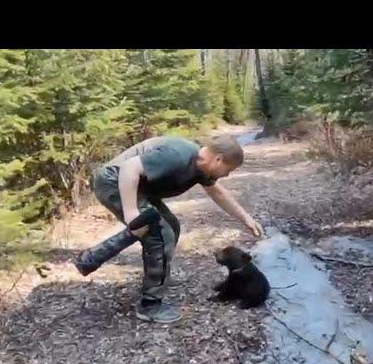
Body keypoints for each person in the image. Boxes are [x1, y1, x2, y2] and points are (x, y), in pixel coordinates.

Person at [83, 134, 263, 324]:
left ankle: (159, 277)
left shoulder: (202, 167)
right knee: (162, 233)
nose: (227, 175)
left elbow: (217, 191)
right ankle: (150, 304)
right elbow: (129, 168)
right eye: (229, 170)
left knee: (171, 226)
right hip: (114, 182)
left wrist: (246, 218)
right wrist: (130, 212)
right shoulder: (178, 156)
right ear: (218, 159)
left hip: (139, 189)